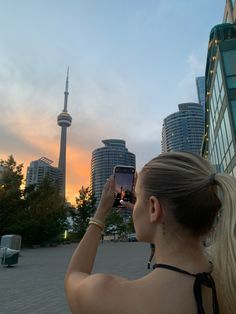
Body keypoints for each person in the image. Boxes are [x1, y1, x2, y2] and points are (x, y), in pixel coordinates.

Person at [64, 152, 236, 314]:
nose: (135, 206)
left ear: (154, 207)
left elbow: (74, 276)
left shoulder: (111, 296)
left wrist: (101, 212)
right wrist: (151, 219)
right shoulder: (227, 277)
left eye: (138, 197)